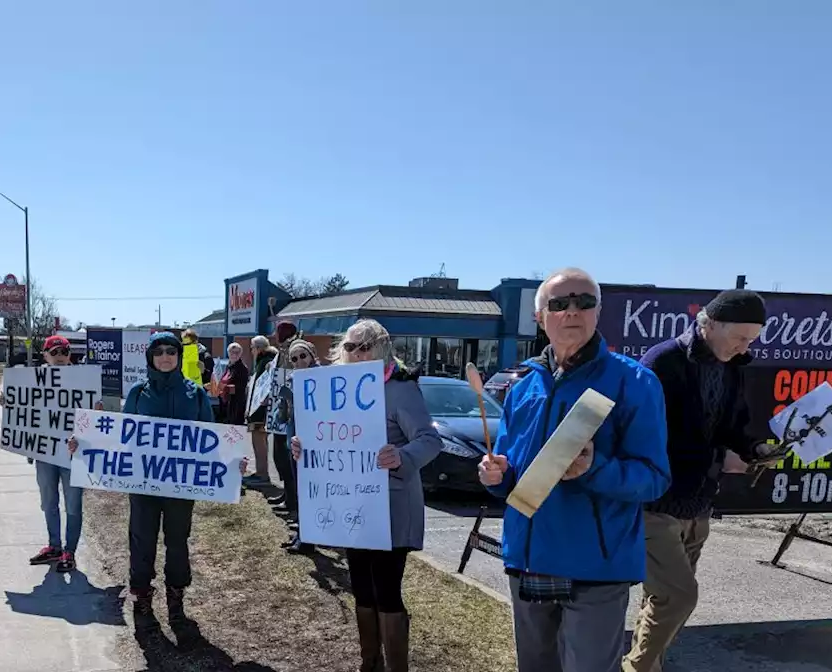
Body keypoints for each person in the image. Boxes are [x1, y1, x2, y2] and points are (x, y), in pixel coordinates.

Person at [479, 267, 671, 672]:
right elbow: (512, 471)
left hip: (595, 570)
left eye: (584, 302)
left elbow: (654, 478)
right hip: (529, 561)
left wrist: (593, 469)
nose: (572, 311)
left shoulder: (635, 382)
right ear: (540, 316)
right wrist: (496, 476)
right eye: (560, 303)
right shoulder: (524, 386)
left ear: (598, 312)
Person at [623, 290, 775, 672]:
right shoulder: (663, 362)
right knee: (678, 596)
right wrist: (719, 456)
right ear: (708, 325)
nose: (745, 347)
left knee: (661, 601)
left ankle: (650, 665)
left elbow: (734, 425)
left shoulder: (734, 366)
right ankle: (636, 668)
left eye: (752, 340)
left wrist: (755, 449)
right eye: (740, 337)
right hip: (655, 503)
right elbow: (642, 433)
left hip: (700, 503)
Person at [291, 319, 441, 672]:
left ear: (382, 348)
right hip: (349, 504)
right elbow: (322, 438)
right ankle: (369, 662)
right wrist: (303, 446)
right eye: (351, 346)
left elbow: (430, 440)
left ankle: (396, 667)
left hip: (390, 506)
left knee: (387, 589)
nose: (358, 353)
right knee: (360, 586)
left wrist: (401, 456)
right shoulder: (330, 390)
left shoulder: (401, 388)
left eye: (366, 346)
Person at [119, 331, 217, 622]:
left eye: (171, 351)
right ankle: (141, 595)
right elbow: (120, 435)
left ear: (178, 356)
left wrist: (233, 461)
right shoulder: (138, 392)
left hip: (180, 483)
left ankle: (176, 596)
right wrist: (84, 444)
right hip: (143, 482)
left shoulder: (194, 392)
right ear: (150, 357)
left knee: (177, 540)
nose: (165, 357)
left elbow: (212, 438)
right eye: (159, 351)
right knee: (141, 539)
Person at [0, 335, 92, 573]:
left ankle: (69, 551)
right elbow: (23, 409)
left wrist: (91, 421)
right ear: (46, 355)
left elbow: (92, 415)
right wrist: (9, 402)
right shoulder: (31, 382)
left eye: (64, 352)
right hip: (44, 453)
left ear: (70, 355)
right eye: (55, 352)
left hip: (73, 453)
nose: (60, 357)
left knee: (73, 505)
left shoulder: (84, 380)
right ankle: (54, 546)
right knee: (48, 502)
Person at [279, 338, 319, 555]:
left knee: (310, 491)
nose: (299, 361)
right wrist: (283, 404)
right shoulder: (294, 378)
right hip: (295, 443)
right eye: (294, 358)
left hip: (314, 445)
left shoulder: (322, 377)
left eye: (303, 356)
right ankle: (302, 533)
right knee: (301, 490)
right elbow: (285, 416)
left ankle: (308, 538)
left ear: (312, 354)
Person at [267, 320, 299, 507]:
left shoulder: (292, 351)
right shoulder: (281, 352)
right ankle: (287, 494)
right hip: (278, 409)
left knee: (286, 457)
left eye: (276, 332)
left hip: (288, 411)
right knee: (279, 455)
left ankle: (292, 499)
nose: (273, 335)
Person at [243, 334, 279, 486]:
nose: (251, 351)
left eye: (251, 348)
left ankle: (263, 475)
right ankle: (260, 472)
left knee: (259, 441)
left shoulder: (267, 361)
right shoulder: (265, 360)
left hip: (261, 410)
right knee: (259, 441)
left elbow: (267, 384)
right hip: (258, 408)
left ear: (258, 348)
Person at [220, 342, 249, 426]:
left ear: (240, 354)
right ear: (228, 353)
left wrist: (224, 387)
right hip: (226, 403)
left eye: (237, 352)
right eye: (232, 352)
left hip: (236, 405)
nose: (234, 355)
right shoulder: (229, 366)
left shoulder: (242, 368)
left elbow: (240, 387)